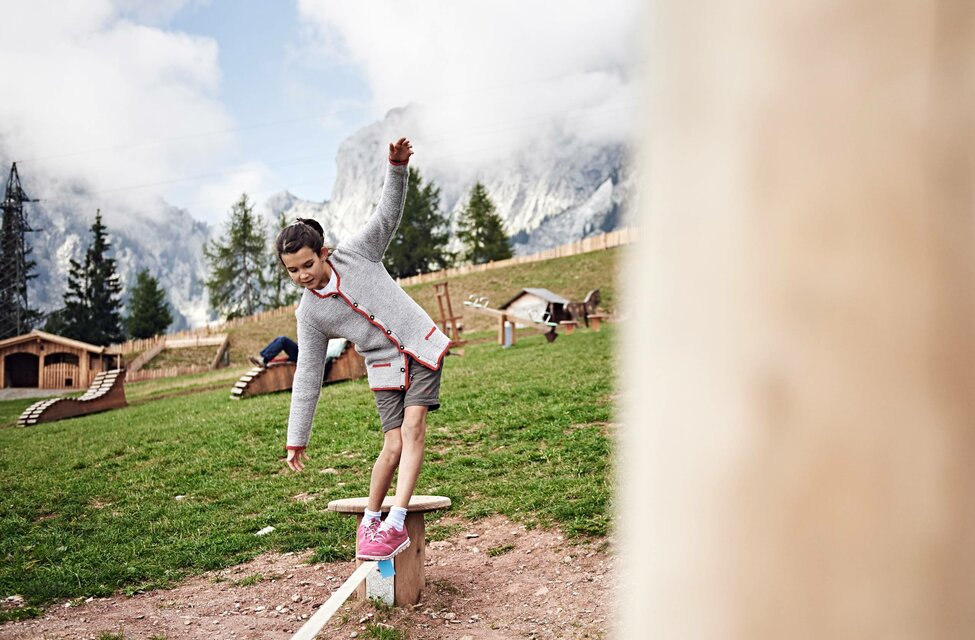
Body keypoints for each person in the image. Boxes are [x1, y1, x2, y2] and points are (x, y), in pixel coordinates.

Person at [277, 137, 450, 561]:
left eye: (307, 265)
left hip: (419, 347)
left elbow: (388, 213)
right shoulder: (310, 315)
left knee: (413, 432)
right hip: (384, 367)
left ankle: (396, 524)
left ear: (324, 252)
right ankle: (372, 518)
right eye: (292, 271)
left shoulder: (360, 253)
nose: (302, 276)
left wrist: (397, 166)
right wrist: (296, 437)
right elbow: (307, 376)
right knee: (391, 446)